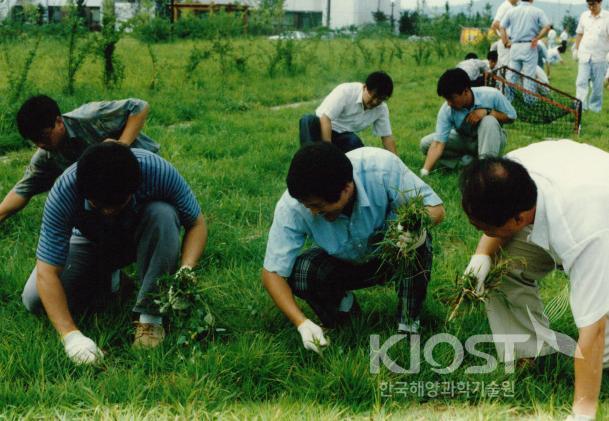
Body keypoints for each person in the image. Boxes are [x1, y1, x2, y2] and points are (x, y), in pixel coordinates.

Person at [460, 139, 609, 420]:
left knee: (601, 354)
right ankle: (529, 351)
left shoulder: (585, 232)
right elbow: (496, 222)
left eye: (485, 229)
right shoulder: (509, 174)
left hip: (601, 223)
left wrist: (583, 412)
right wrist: (481, 256)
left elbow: (594, 331)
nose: (483, 233)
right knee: (498, 270)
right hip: (565, 206)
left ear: (518, 220)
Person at [21, 142, 207, 364]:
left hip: (139, 234)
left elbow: (196, 224)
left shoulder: (156, 170)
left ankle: (150, 317)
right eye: (99, 205)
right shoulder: (64, 190)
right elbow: (46, 272)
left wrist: (186, 269)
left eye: (116, 204)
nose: (108, 212)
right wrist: (71, 337)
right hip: (89, 239)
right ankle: (112, 281)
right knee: (34, 299)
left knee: (163, 214)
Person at [262, 143, 444, 353]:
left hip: (392, 255)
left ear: (346, 190)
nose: (311, 212)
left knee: (419, 240)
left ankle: (408, 323)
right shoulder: (294, 206)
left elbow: (436, 209)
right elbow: (272, 273)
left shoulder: (382, 168)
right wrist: (301, 322)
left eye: (319, 207)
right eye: (307, 205)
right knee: (303, 272)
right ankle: (346, 314)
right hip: (344, 263)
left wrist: (410, 228)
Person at [0, 96, 159, 226]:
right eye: (35, 141)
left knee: (153, 213)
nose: (41, 144)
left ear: (59, 122)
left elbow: (139, 106)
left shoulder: (90, 117)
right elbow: (23, 189)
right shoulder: (46, 156)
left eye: (44, 137)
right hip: (109, 195)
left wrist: (121, 147)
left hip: (144, 169)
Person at [419, 68, 517, 175]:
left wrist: (488, 112)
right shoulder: (447, 110)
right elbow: (438, 143)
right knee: (425, 144)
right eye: (446, 99)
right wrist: (425, 172)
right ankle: (468, 162)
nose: (449, 103)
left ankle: (485, 170)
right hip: (464, 139)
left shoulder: (492, 95)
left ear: (466, 91)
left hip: (492, 139)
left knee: (489, 121)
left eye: (452, 98)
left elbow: (511, 117)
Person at [299, 71, 397, 154]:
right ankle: (310, 159)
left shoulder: (381, 109)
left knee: (355, 144)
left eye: (380, 99)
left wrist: (396, 163)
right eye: (374, 96)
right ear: (365, 87)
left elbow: (387, 137)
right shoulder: (346, 91)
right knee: (307, 120)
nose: (375, 102)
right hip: (321, 126)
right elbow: (325, 118)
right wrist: (328, 151)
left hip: (342, 135)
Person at [500, 0, 551, 99]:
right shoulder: (537, 11)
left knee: (512, 77)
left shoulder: (512, 11)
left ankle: (507, 99)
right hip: (529, 46)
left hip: (515, 46)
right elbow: (547, 26)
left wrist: (505, 42)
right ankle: (529, 101)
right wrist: (537, 38)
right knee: (529, 77)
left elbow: (502, 26)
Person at [573, 0, 609, 112]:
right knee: (581, 82)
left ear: (600, 2)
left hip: (600, 57)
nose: (591, 7)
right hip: (584, 55)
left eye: (593, 4)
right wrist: (576, 49)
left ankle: (595, 108)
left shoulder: (607, 17)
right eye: (589, 4)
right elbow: (579, 34)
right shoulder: (584, 16)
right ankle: (581, 107)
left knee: (597, 86)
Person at [492, 0, 519, 67]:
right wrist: (505, 41)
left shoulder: (511, 7)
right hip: (506, 43)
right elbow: (495, 24)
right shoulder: (505, 6)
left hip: (510, 41)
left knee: (511, 69)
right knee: (506, 69)